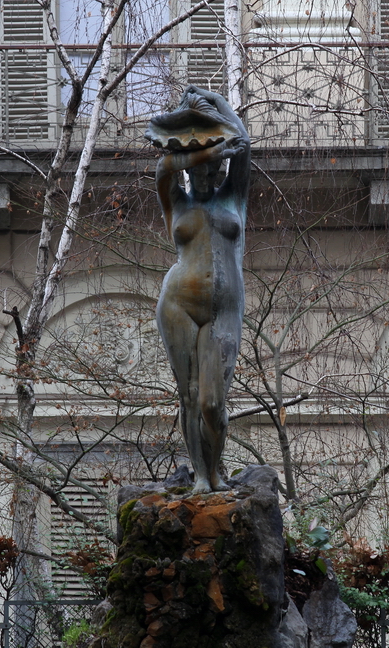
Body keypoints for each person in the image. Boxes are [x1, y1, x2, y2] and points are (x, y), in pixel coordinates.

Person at [150, 86, 251, 493]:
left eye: (215, 172)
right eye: (200, 172)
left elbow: (243, 144)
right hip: (178, 304)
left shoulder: (234, 199)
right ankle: (201, 480)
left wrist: (214, 101)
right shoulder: (177, 202)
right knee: (189, 397)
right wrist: (207, 153)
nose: (208, 178)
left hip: (224, 310)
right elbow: (163, 168)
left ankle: (217, 469)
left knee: (214, 403)